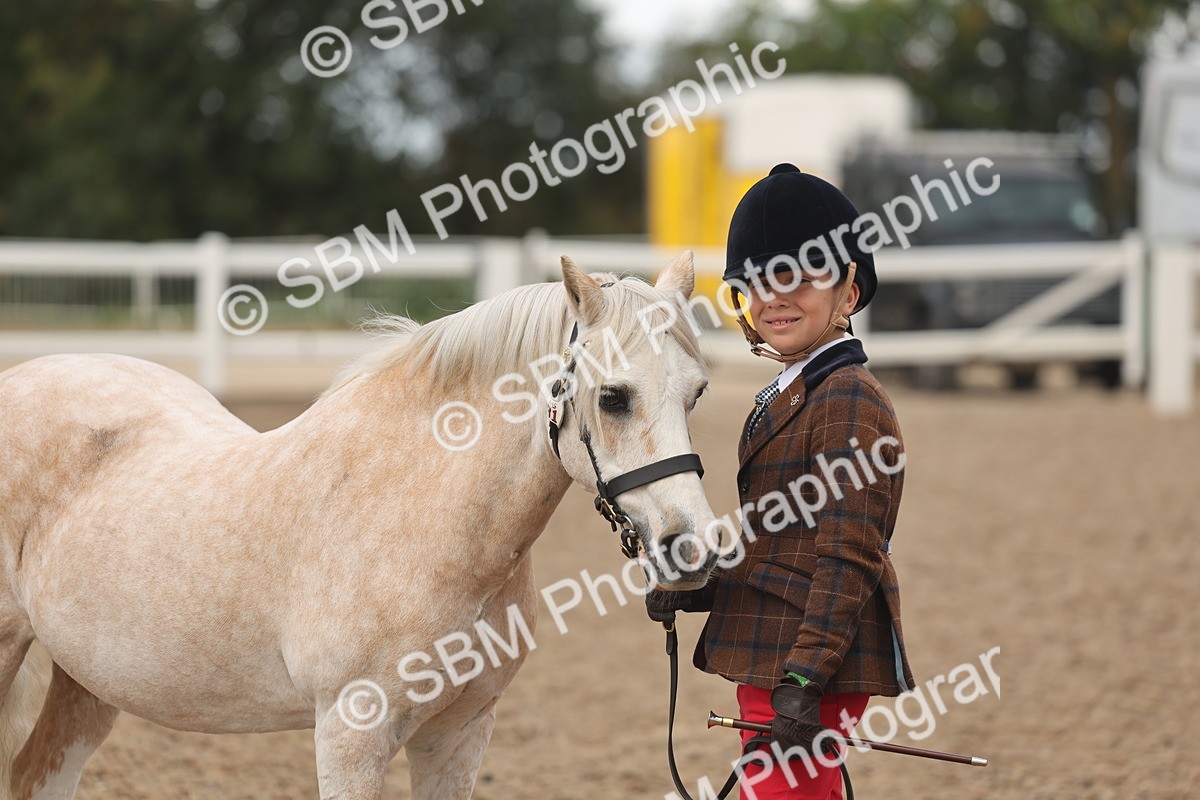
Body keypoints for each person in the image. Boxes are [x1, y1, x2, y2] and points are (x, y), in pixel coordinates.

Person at [647, 163, 915, 800]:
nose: (773, 298)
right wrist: (699, 588)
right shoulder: (789, 391)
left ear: (849, 291)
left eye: (797, 276)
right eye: (758, 281)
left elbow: (848, 556)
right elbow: (782, 549)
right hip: (776, 658)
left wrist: (805, 680)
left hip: (807, 668)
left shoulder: (849, 399)